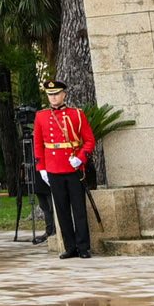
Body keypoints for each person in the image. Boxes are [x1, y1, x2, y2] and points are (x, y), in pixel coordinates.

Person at [32, 80, 95, 259]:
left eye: (57, 94)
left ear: (64, 94)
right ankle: (70, 247)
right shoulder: (41, 116)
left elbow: (89, 141)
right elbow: (38, 144)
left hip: (73, 167)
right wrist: (41, 168)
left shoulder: (76, 114)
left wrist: (80, 158)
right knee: (62, 211)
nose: (53, 97)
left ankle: (84, 247)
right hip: (53, 168)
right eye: (50, 94)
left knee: (79, 210)